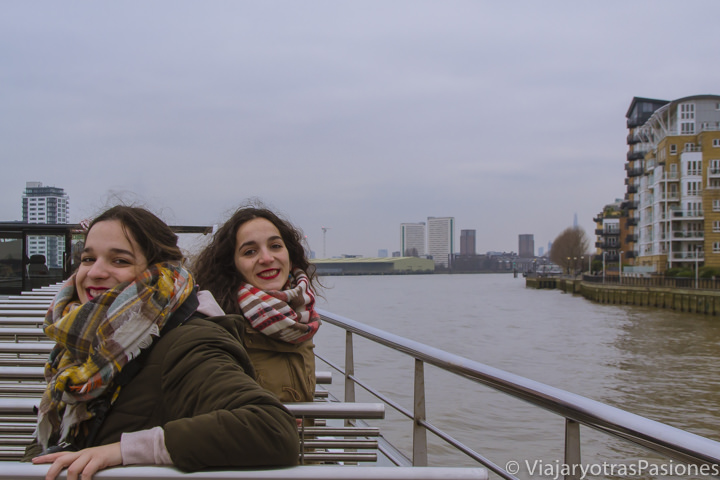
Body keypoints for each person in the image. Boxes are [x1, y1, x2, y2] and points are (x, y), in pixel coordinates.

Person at [25, 206, 299, 480]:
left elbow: (272, 429)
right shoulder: (84, 344)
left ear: (159, 272)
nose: (95, 272)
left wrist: (123, 451)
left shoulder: (189, 340)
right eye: (88, 258)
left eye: (119, 261)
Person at [193, 205, 321, 403]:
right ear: (232, 264)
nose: (267, 258)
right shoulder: (217, 326)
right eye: (250, 252)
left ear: (289, 253)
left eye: (275, 246)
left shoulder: (301, 319)